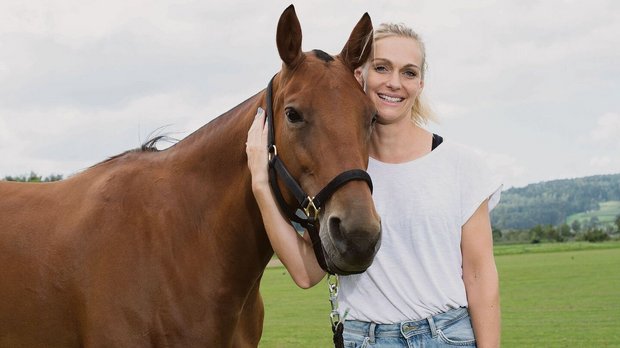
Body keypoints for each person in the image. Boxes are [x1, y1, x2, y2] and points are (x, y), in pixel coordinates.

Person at [246, 22, 502, 348]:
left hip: (447, 337)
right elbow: (307, 272)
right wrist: (259, 182)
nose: (394, 82)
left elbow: (480, 277)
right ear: (359, 75)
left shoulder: (462, 165)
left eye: (408, 72)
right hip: (365, 339)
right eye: (382, 68)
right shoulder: (343, 176)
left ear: (420, 84)